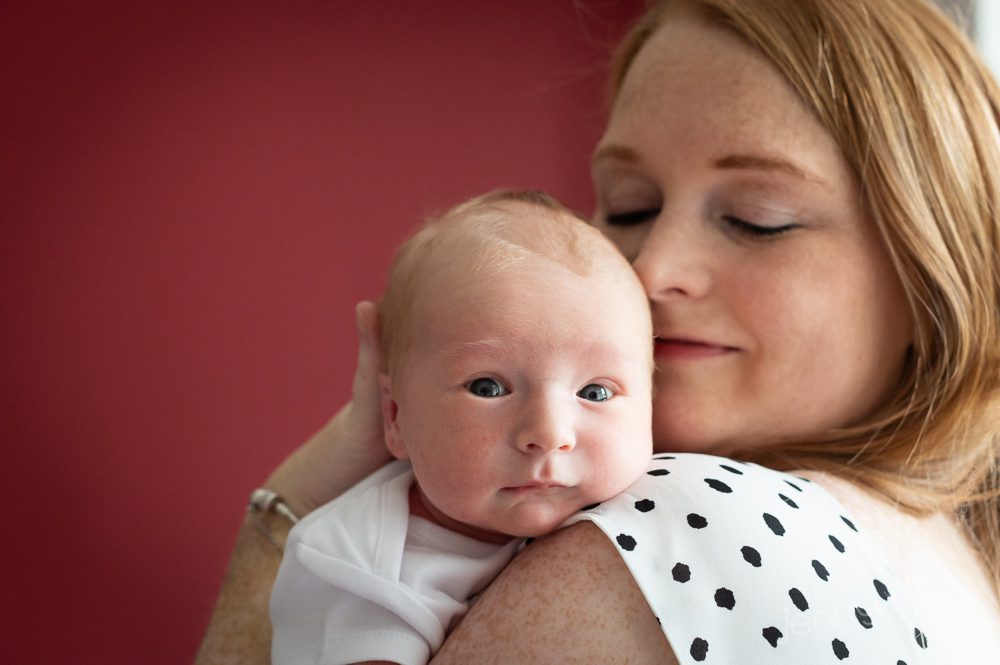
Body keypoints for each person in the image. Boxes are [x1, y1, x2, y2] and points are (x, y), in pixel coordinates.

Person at [194, 0, 1000, 663]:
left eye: (760, 220)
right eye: (629, 206)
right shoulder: (947, 557)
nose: (650, 272)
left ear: (936, 281)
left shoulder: (688, 525)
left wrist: (288, 510)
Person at [268, 190, 655, 665]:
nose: (551, 433)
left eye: (595, 393)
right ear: (395, 418)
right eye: (488, 387)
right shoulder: (362, 569)